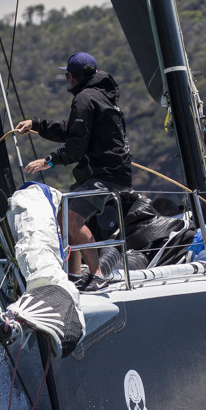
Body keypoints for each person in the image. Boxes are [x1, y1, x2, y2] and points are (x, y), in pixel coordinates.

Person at [15, 51, 132, 291]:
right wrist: (36, 124)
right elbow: (72, 130)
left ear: (70, 76)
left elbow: (75, 147)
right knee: (64, 216)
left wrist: (47, 161)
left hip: (104, 174)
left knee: (72, 218)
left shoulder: (84, 99)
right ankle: (75, 276)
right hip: (109, 171)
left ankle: (98, 275)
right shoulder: (101, 95)